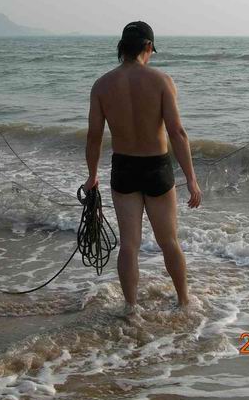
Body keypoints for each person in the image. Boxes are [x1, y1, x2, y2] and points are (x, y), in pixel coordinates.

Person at [83, 21, 202, 309]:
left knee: (129, 244)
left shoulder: (102, 85)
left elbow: (94, 136)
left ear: (122, 48)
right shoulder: (161, 81)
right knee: (169, 241)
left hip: (123, 167)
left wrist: (92, 176)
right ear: (148, 46)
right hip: (156, 167)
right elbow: (177, 132)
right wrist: (191, 179)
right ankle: (184, 301)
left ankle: (131, 308)